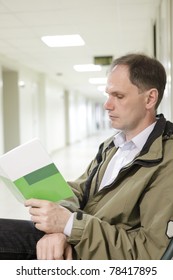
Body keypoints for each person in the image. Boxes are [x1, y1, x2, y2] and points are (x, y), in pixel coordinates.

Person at [0, 53, 173, 260]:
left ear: (150, 98)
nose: (107, 105)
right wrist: (58, 228)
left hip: (94, 257)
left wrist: (69, 225)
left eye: (118, 96)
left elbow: (147, 255)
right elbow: (81, 191)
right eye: (108, 95)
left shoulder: (166, 160)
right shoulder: (114, 145)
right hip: (81, 238)